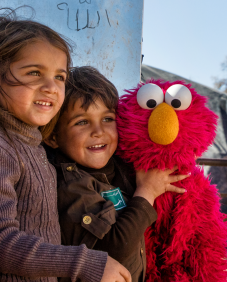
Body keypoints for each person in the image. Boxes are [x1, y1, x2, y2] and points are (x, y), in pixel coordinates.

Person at [0, 15, 131, 282]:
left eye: (59, 77)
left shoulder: (33, 145)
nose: (51, 87)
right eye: (34, 73)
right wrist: (84, 263)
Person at [44, 66, 189, 282]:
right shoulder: (71, 186)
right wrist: (147, 192)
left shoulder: (119, 167)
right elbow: (111, 255)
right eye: (82, 122)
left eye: (107, 119)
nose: (98, 131)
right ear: (53, 137)